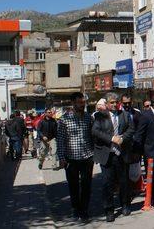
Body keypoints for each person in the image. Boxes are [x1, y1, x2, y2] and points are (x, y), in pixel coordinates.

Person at [92, 92, 136, 222]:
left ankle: (125, 205)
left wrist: (122, 138)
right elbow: (95, 131)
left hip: (122, 154)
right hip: (107, 155)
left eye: (116, 102)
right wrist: (112, 138)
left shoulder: (125, 115)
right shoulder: (100, 116)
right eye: (111, 102)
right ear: (106, 104)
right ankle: (109, 210)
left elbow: (131, 129)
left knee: (124, 182)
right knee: (107, 183)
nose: (114, 105)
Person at [57, 92, 94, 222]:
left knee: (86, 185)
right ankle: (75, 208)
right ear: (73, 103)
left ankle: (84, 210)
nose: (82, 105)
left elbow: (93, 136)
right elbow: (60, 140)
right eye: (79, 102)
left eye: (83, 102)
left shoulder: (89, 118)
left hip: (87, 157)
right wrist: (61, 158)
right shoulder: (64, 119)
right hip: (71, 159)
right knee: (73, 186)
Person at [135, 95, 154, 207]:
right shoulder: (146, 116)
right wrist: (139, 151)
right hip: (150, 151)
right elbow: (139, 134)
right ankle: (151, 198)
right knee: (151, 176)